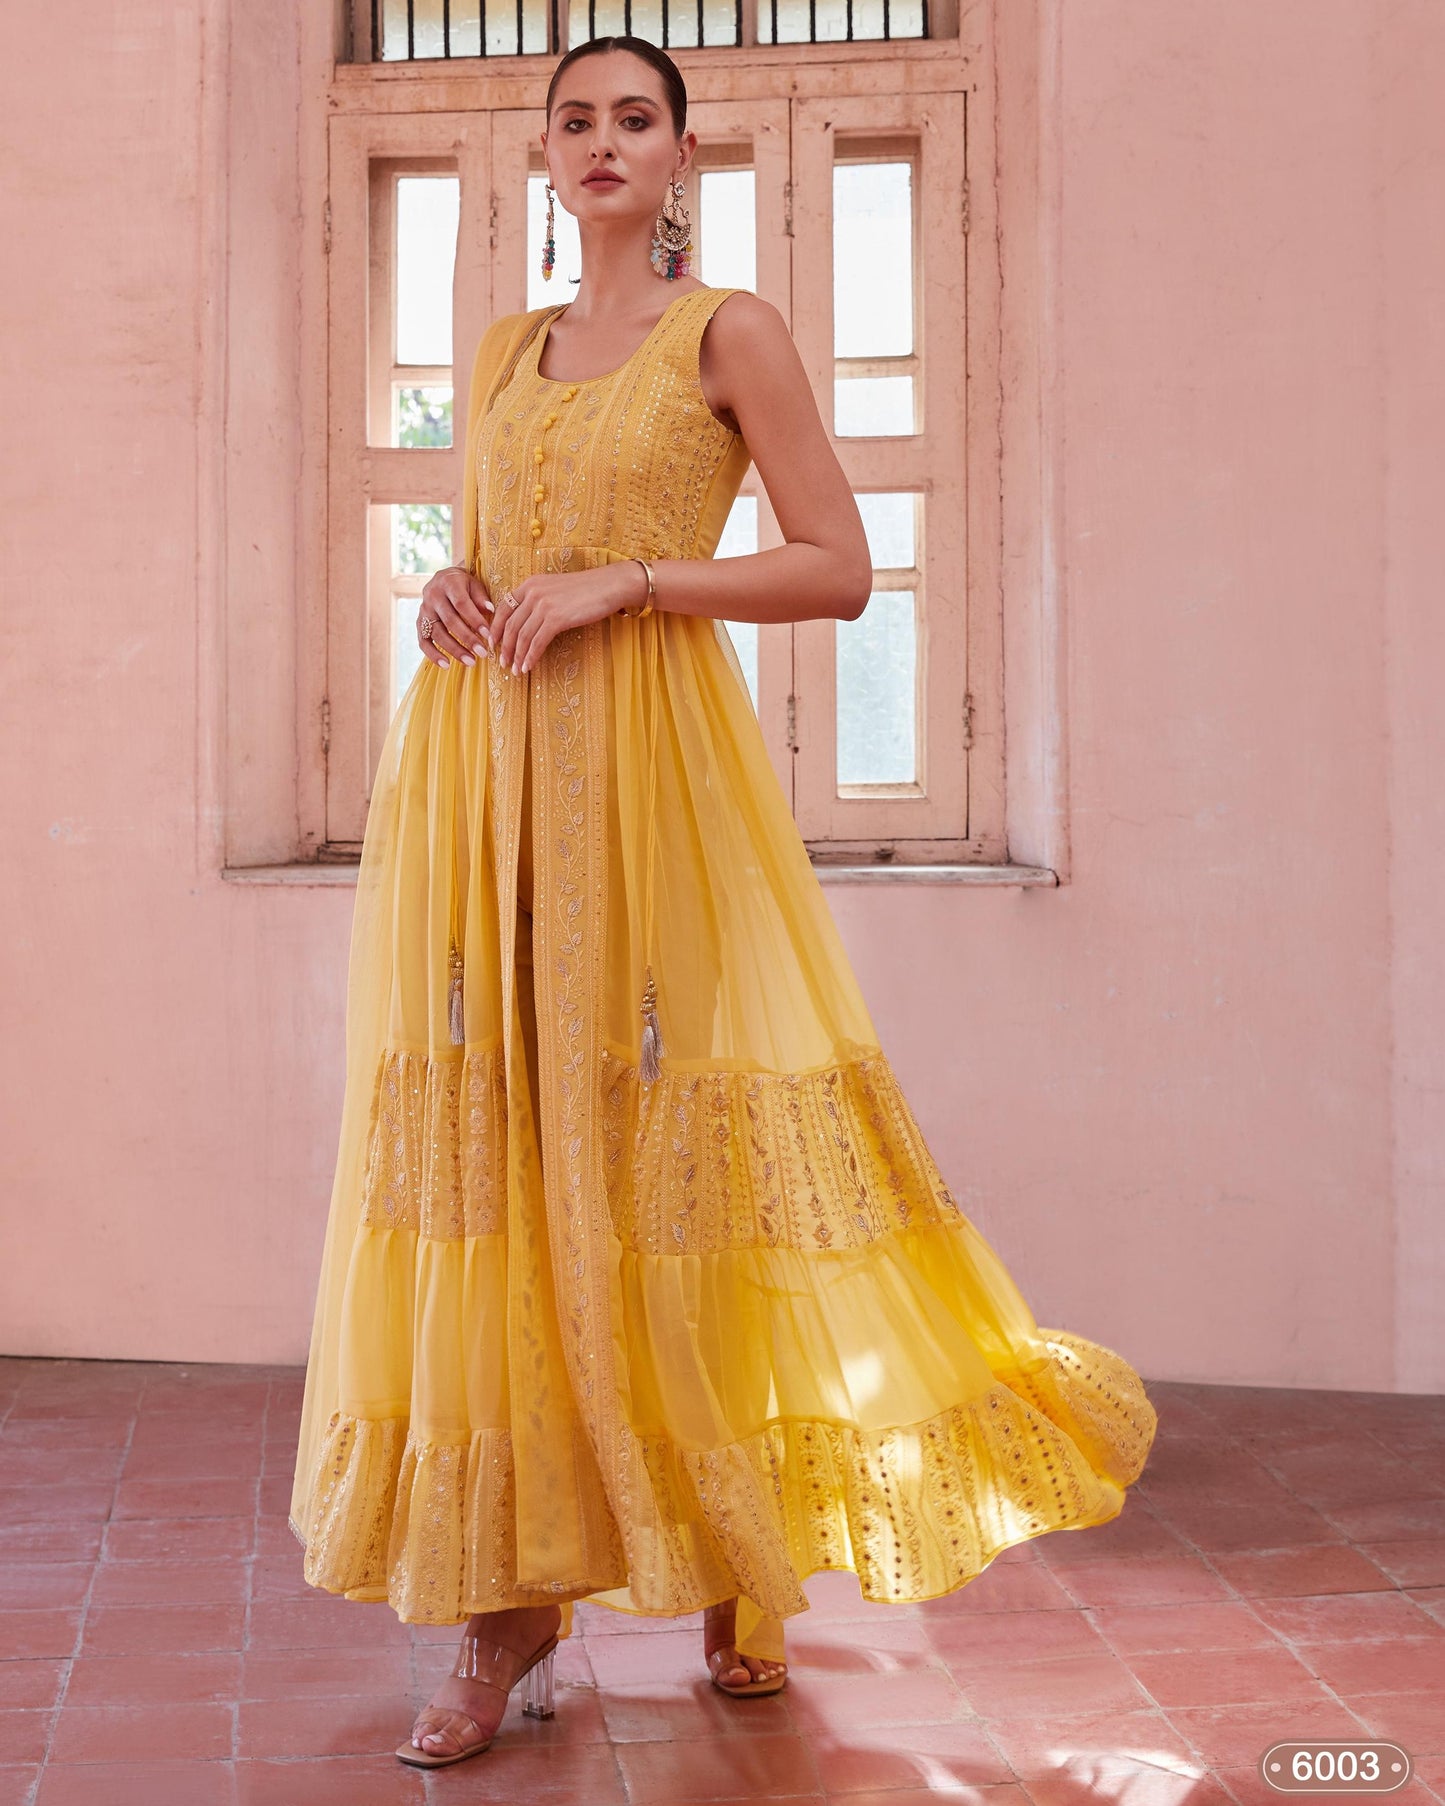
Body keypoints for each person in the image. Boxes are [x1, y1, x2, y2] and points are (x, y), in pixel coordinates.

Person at [289, 32, 1158, 1772]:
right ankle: (504, 1602)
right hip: (489, 795)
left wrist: (635, 579)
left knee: (677, 1166)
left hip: (660, 805)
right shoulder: (503, 350)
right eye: (574, 121)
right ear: (541, 159)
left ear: (682, 158)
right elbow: (483, 550)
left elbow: (835, 565)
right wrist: (449, 590)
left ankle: (732, 1566)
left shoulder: (727, 332)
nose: (603, 143)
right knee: (515, 1174)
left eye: (634, 121)